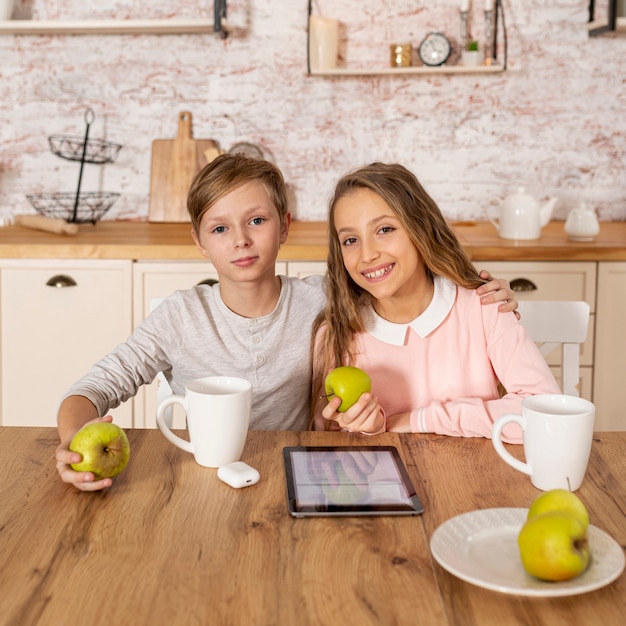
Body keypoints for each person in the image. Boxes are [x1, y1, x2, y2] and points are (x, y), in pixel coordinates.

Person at [55, 154, 519, 491]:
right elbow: (90, 390)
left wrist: (477, 290)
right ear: (199, 242)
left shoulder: (327, 298)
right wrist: (77, 448)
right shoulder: (179, 317)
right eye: (219, 229)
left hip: (298, 476)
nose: (240, 240)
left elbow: (396, 277)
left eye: (256, 220)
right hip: (204, 481)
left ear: (285, 226)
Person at [311, 162, 561, 442]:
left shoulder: (484, 305)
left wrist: (420, 419)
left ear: (421, 228)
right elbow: (334, 446)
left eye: (384, 229)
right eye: (350, 240)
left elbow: (545, 414)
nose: (367, 254)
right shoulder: (336, 334)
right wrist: (369, 427)